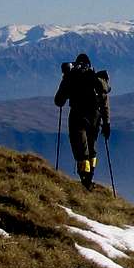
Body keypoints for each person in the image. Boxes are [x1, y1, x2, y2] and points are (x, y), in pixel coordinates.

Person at [54, 53, 111, 189]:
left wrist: (65, 80)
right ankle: (89, 178)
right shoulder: (95, 79)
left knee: (81, 149)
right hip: (95, 118)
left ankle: (85, 180)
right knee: (92, 148)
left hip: (77, 116)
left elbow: (58, 101)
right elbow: (105, 103)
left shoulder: (71, 77)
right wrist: (107, 123)